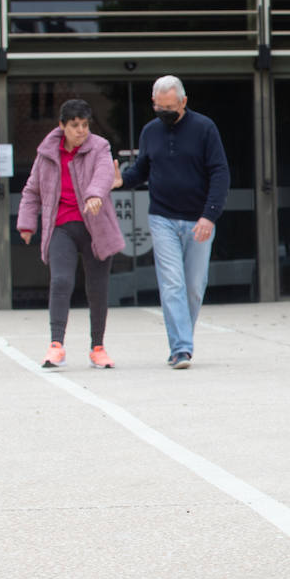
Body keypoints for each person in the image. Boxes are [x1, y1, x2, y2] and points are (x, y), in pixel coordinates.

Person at [121, 75, 230, 369]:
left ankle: (183, 340)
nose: (165, 112)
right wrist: (118, 180)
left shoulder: (205, 128)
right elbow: (141, 170)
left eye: (170, 107)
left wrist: (209, 215)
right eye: (160, 107)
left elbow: (220, 173)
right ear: (153, 104)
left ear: (183, 101)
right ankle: (181, 348)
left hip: (198, 219)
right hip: (162, 218)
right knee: (172, 284)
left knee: (194, 286)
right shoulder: (150, 132)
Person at [17, 98, 125, 369]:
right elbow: (32, 191)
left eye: (85, 125)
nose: (81, 131)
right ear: (62, 126)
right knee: (61, 281)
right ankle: (56, 346)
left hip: (95, 227)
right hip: (61, 227)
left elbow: (103, 174)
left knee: (97, 289)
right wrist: (27, 224)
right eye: (75, 125)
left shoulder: (99, 147)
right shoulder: (46, 154)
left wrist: (94, 195)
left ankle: (98, 348)